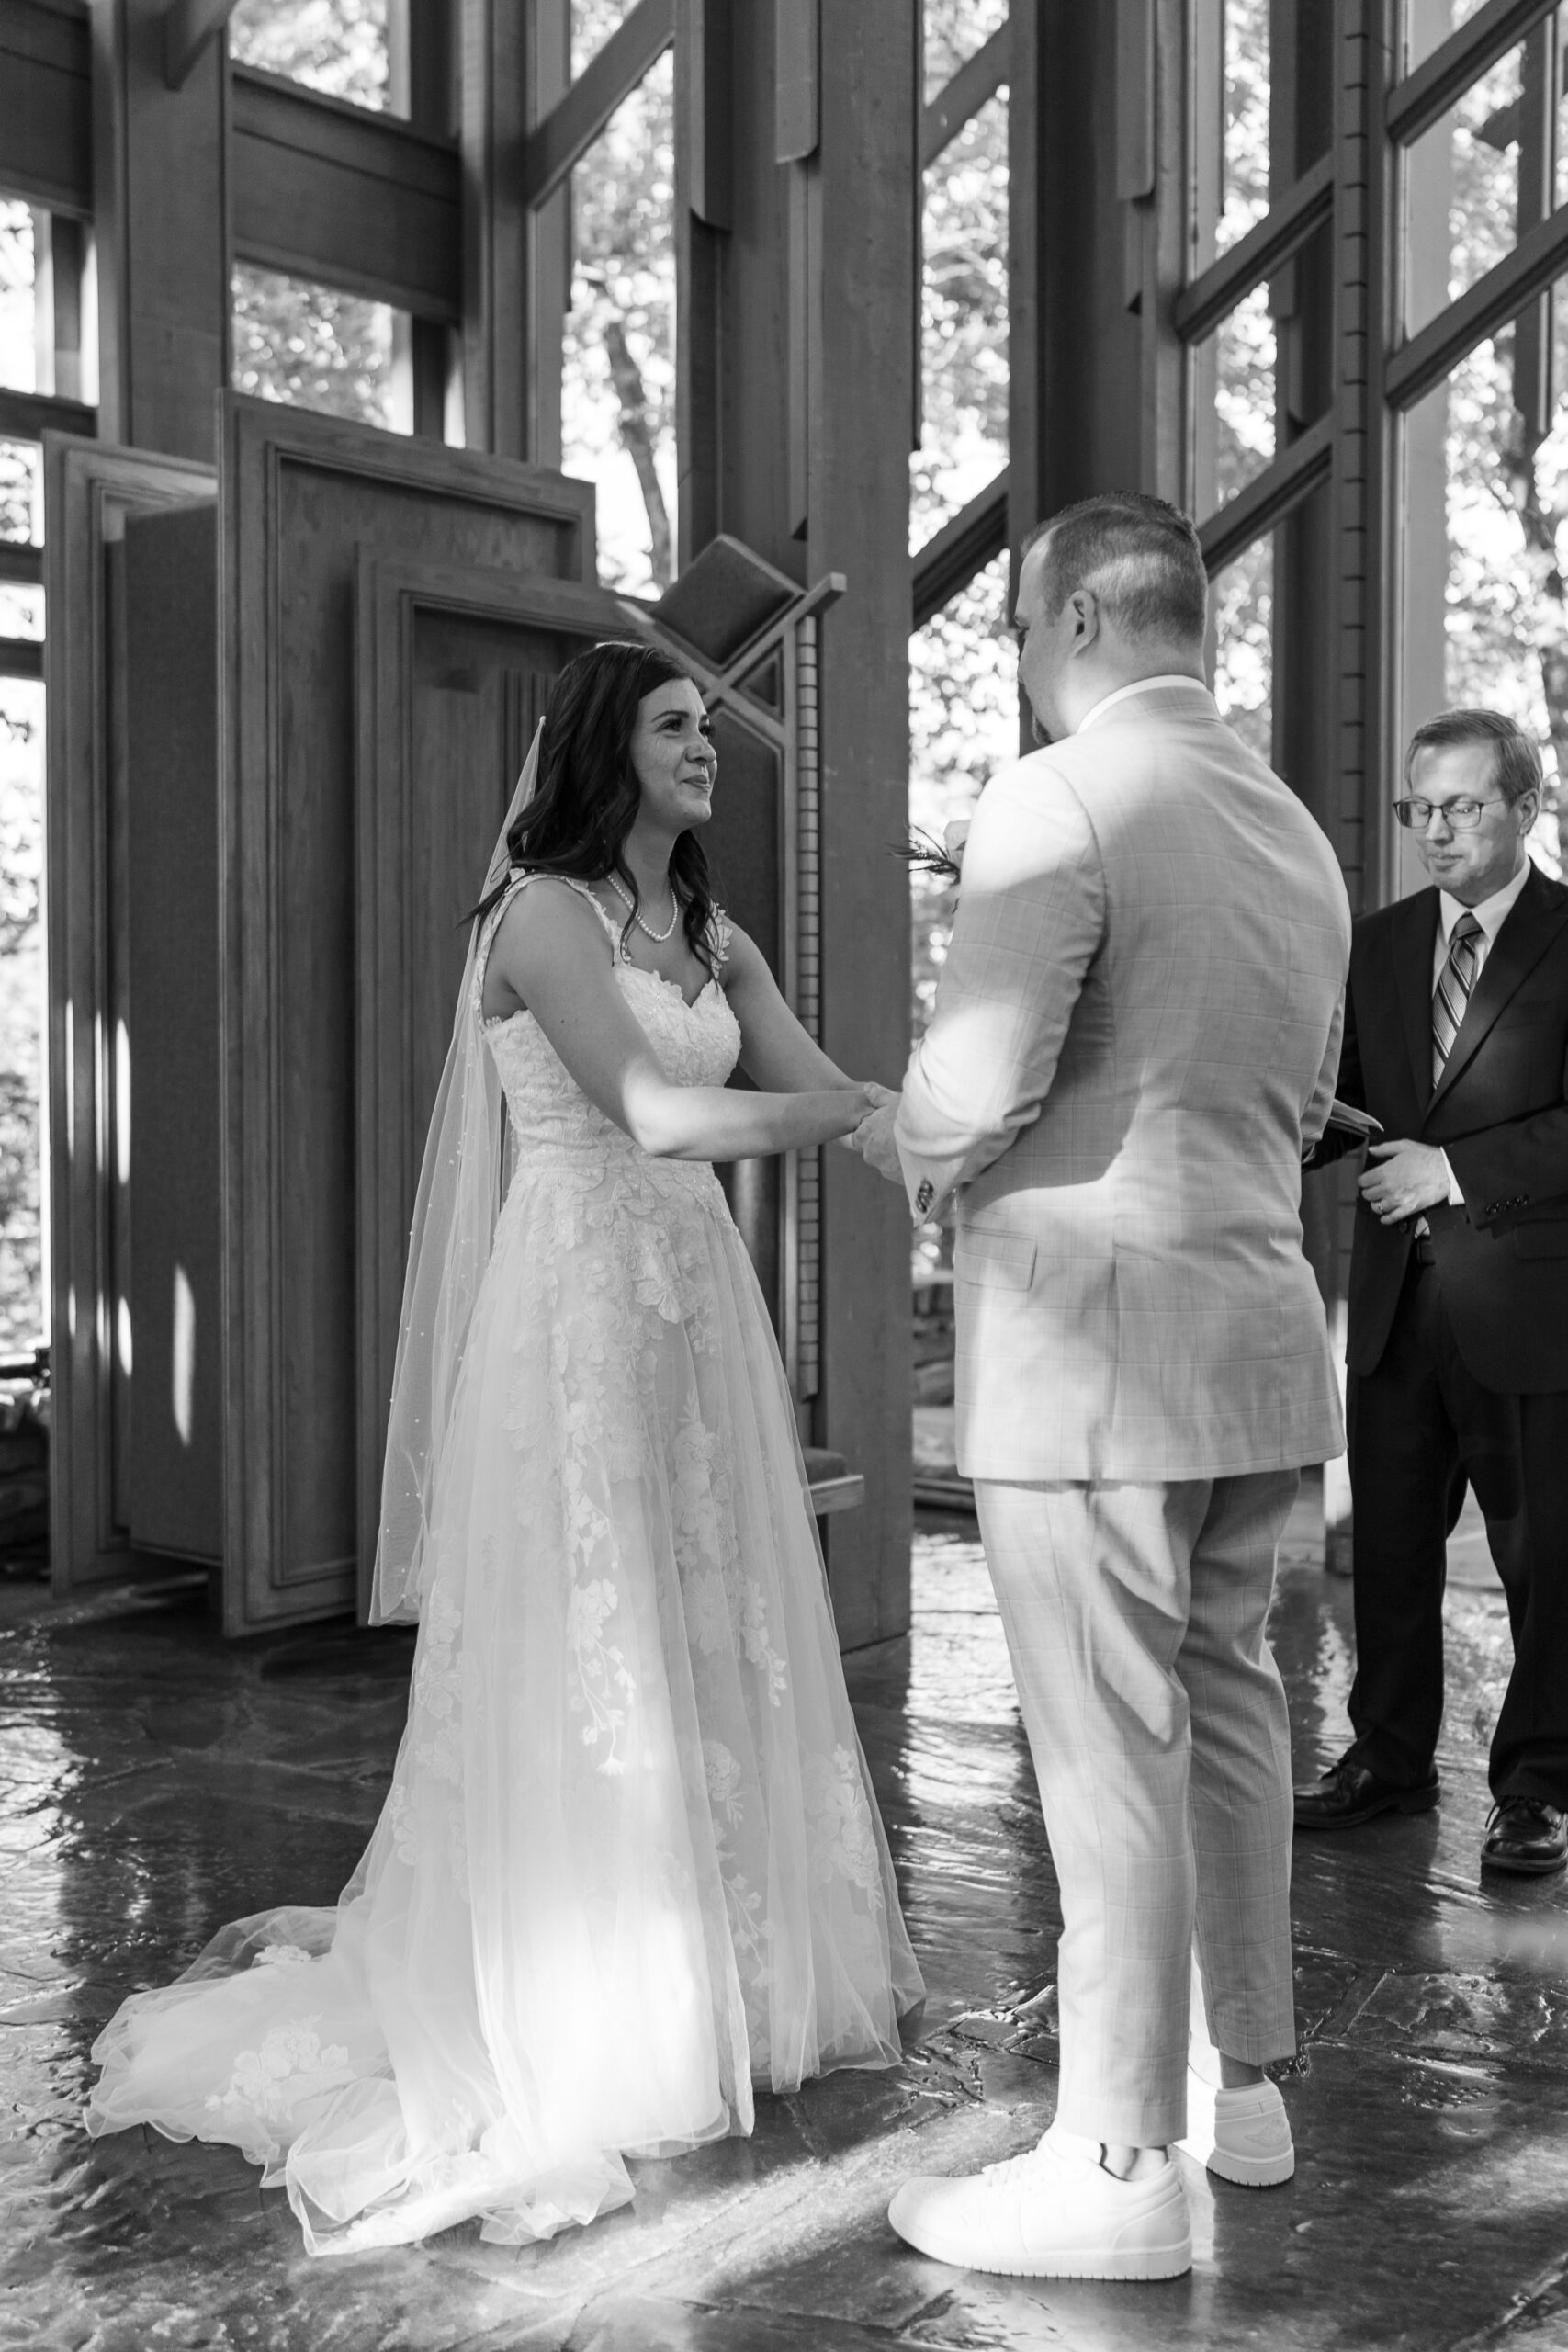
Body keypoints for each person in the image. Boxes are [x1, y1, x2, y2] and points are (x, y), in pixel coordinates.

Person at [86, 639, 922, 2254]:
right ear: (608, 747)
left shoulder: (710, 934)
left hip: (695, 1313)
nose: (707, 751)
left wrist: (940, 1134)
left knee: (706, 1615)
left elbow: (827, 1091)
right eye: (677, 727)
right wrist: (842, 1118)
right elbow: (660, 1117)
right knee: (596, 1642)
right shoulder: (539, 916)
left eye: (710, 730)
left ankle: (736, 1972)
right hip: (578, 1316)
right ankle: (598, 2000)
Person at [852, 492, 1350, 2281]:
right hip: (1254, 1341)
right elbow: (1293, 1109)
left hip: (1092, 1356)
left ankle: (1114, 2156)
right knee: (1224, 1711)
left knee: (1101, 1749)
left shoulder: (1054, 798)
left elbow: (969, 1089)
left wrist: (903, 1140)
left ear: (1062, 622)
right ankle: (1252, 2088)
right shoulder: (1293, 829)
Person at [1294, 709, 1568, 1875]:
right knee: (1393, 1551)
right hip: (1399, 1301)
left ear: (1524, 806)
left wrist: (1455, 1167)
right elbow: (1344, 1095)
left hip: (1531, 1310)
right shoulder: (1379, 940)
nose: (1436, 829)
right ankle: (1389, 1759)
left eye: (1461, 805)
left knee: (1545, 1562)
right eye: (1420, 809)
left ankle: (1539, 1789)